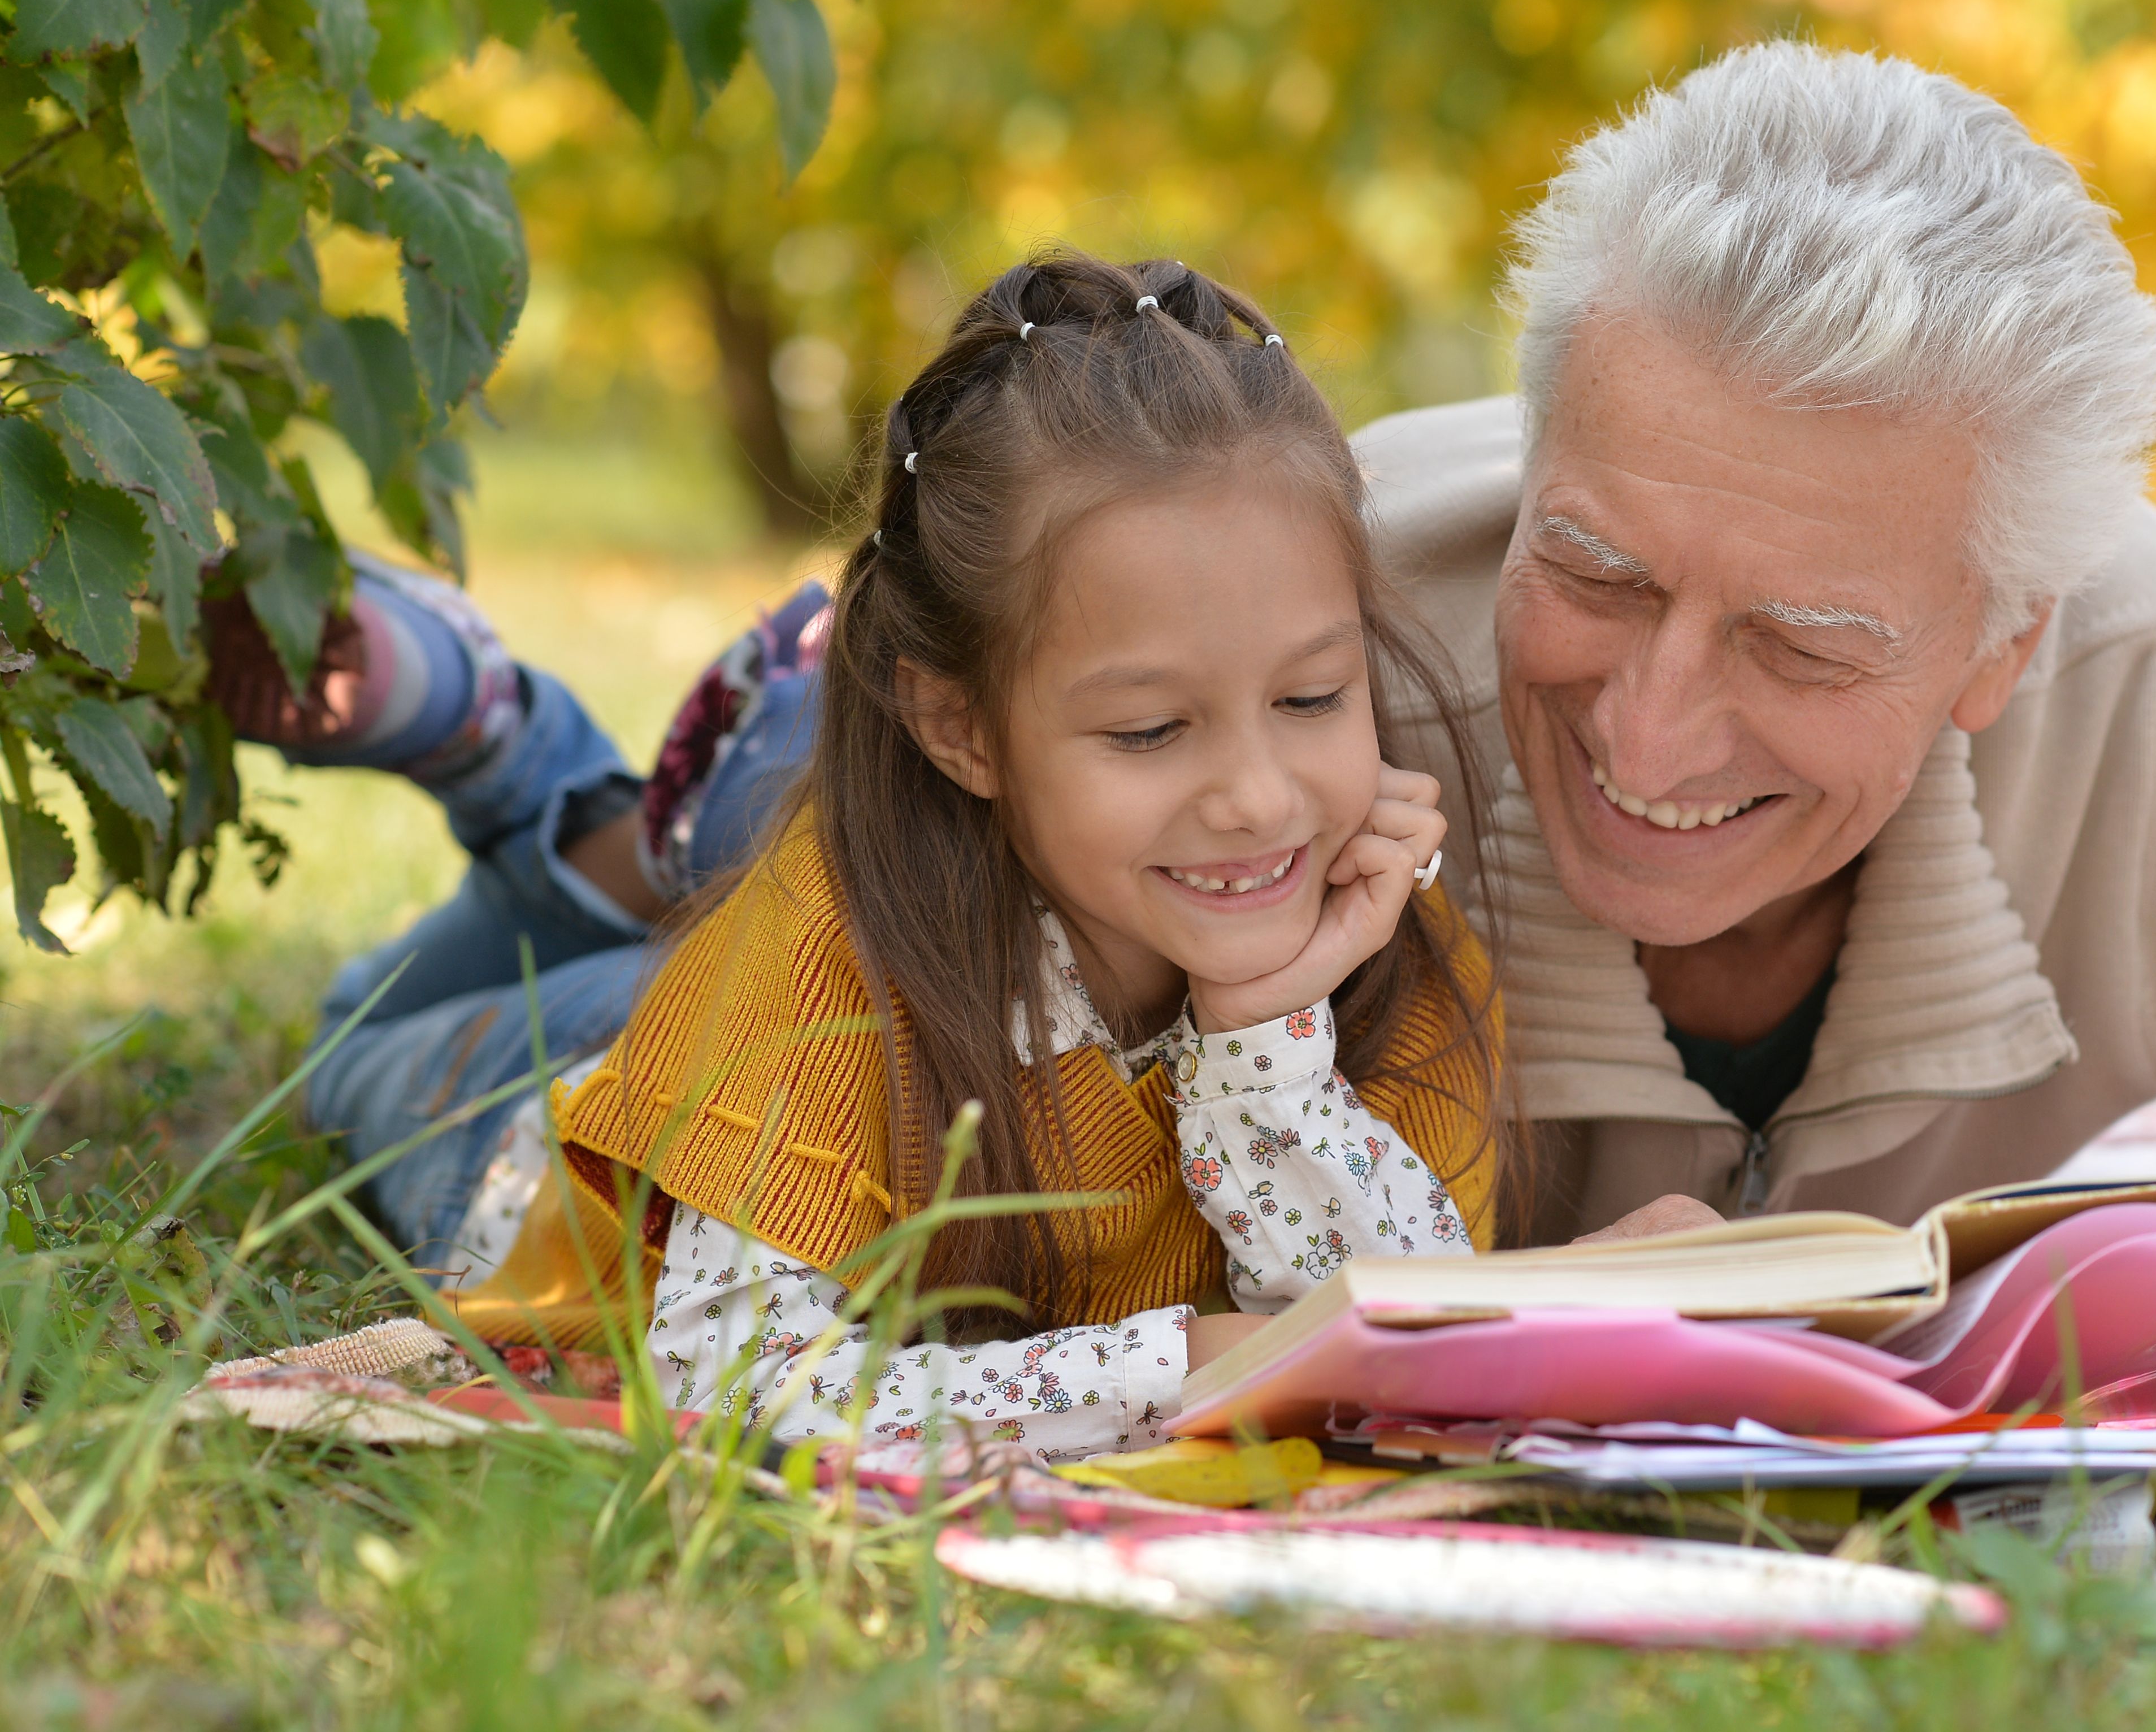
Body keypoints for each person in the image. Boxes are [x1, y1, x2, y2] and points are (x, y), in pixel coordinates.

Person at [231, 41, 2156, 1431]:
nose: (1647, 720)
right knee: (488, 1084)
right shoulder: (1302, 662)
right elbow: (834, 1338)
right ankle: (544, 792)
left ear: (2003, 637)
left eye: (1804, 641)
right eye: (1605, 568)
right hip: (933, 822)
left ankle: (555, 798)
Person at [248, 253, 1504, 1460]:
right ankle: (512, 757)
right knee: (351, 1044)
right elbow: (733, 1387)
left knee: (708, 895)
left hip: (797, 967)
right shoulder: (814, 963)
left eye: (1312, 698)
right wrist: (1181, 1365)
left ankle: (594, 795)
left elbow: (1407, 1350)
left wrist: (1267, 1035)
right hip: (569, 1124)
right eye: (1150, 728)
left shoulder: (1379, 933)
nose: (1257, 797)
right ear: (958, 728)